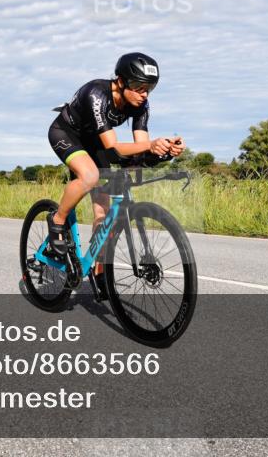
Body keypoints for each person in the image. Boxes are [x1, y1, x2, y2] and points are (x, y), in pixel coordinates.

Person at [46, 52, 185, 289]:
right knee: (90, 176)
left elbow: (139, 148)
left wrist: (161, 152)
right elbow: (113, 146)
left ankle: (99, 272)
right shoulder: (97, 94)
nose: (144, 95)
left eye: (149, 89)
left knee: (104, 213)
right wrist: (150, 146)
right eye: (139, 87)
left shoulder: (140, 104)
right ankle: (57, 219)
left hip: (95, 142)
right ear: (120, 81)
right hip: (67, 133)